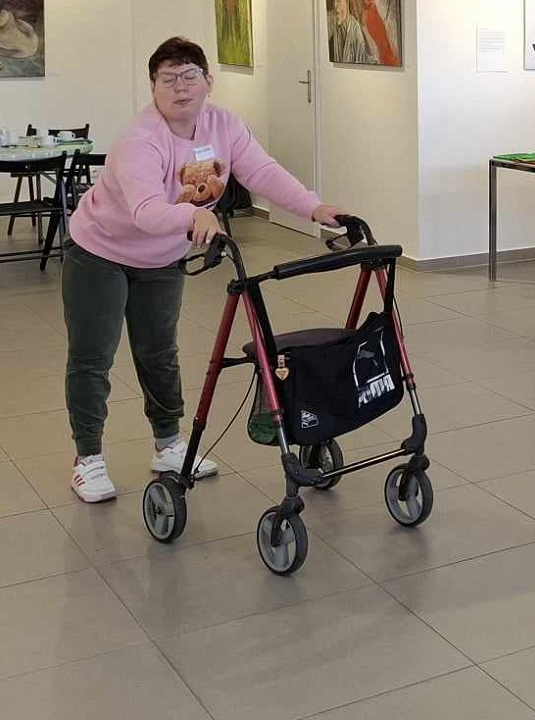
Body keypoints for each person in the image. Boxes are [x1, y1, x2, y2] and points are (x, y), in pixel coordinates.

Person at [63, 36, 347, 504]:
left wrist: (313, 208)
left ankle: (168, 445)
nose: (180, 87)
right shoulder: (140, 139)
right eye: (168, 79)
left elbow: (262, 171)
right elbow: (145, 212)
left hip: (161, 258)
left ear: (208, 81)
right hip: (100, 252)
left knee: (159, 352)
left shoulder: (223, 125)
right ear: (153, 87)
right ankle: (88, 458)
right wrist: (192, 215)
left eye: (189, 76)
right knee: (93, 356)